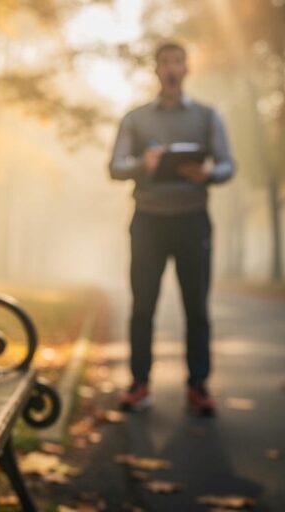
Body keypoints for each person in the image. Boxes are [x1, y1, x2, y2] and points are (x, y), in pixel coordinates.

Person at [108, 42, 235, 416]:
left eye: (177, 61)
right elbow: (115, 167)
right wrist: (142, 164)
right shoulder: (135, 118)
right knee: (142, 305)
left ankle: (198, 386)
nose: (171, 68)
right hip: (148, 220)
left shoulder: (208, 116)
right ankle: (139, 384)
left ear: (186, 68)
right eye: (164, 62)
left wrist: (208, 172)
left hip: (193, 220)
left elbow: (227, 165)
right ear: (156, 69)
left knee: (196, 307)